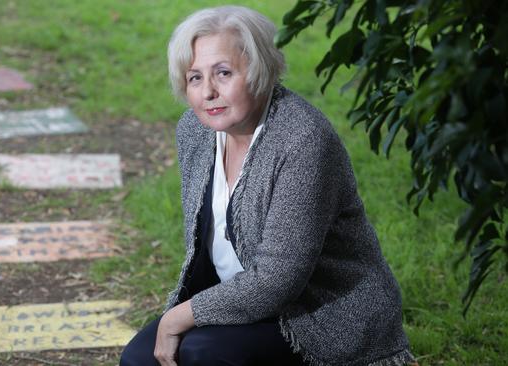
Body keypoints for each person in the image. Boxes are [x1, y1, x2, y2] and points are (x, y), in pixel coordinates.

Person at [120, 5, 416, 366]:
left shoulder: (302, 140)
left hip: (318, 314)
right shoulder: (195, 130)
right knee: (138, 359)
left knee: (202, 355)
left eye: (223, 73)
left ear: (259, 69)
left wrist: (177, 318)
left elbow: (277, 282)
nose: (207, 92)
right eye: (194, 77)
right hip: (240, 299)